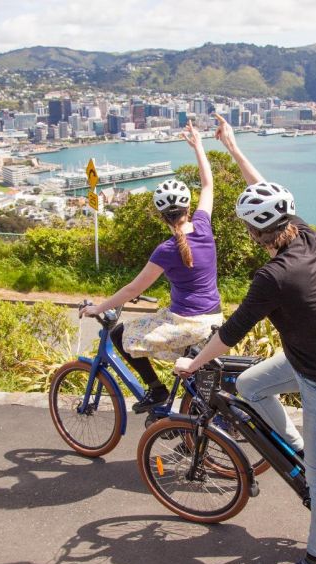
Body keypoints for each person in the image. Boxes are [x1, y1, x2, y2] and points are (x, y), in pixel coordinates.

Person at [174, 114, 316, 564]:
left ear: (256, 233)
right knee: (250, 384)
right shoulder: (306, 237)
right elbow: (267, 192)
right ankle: (299, 446)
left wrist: (191, 364)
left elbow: (232, 333)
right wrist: (234, 148)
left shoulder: (273, 277)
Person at [82, 122, 223, 413]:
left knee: (121, 335)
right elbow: (208, 184)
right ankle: (179, 416)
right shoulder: (205, 228)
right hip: (215, 320)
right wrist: (198, 145)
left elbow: (134, 288)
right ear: (188, 208)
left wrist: (98, 308)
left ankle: (156, 391)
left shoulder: (166, 250)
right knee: (177, 357)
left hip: (185, 323)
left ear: (161, 215)